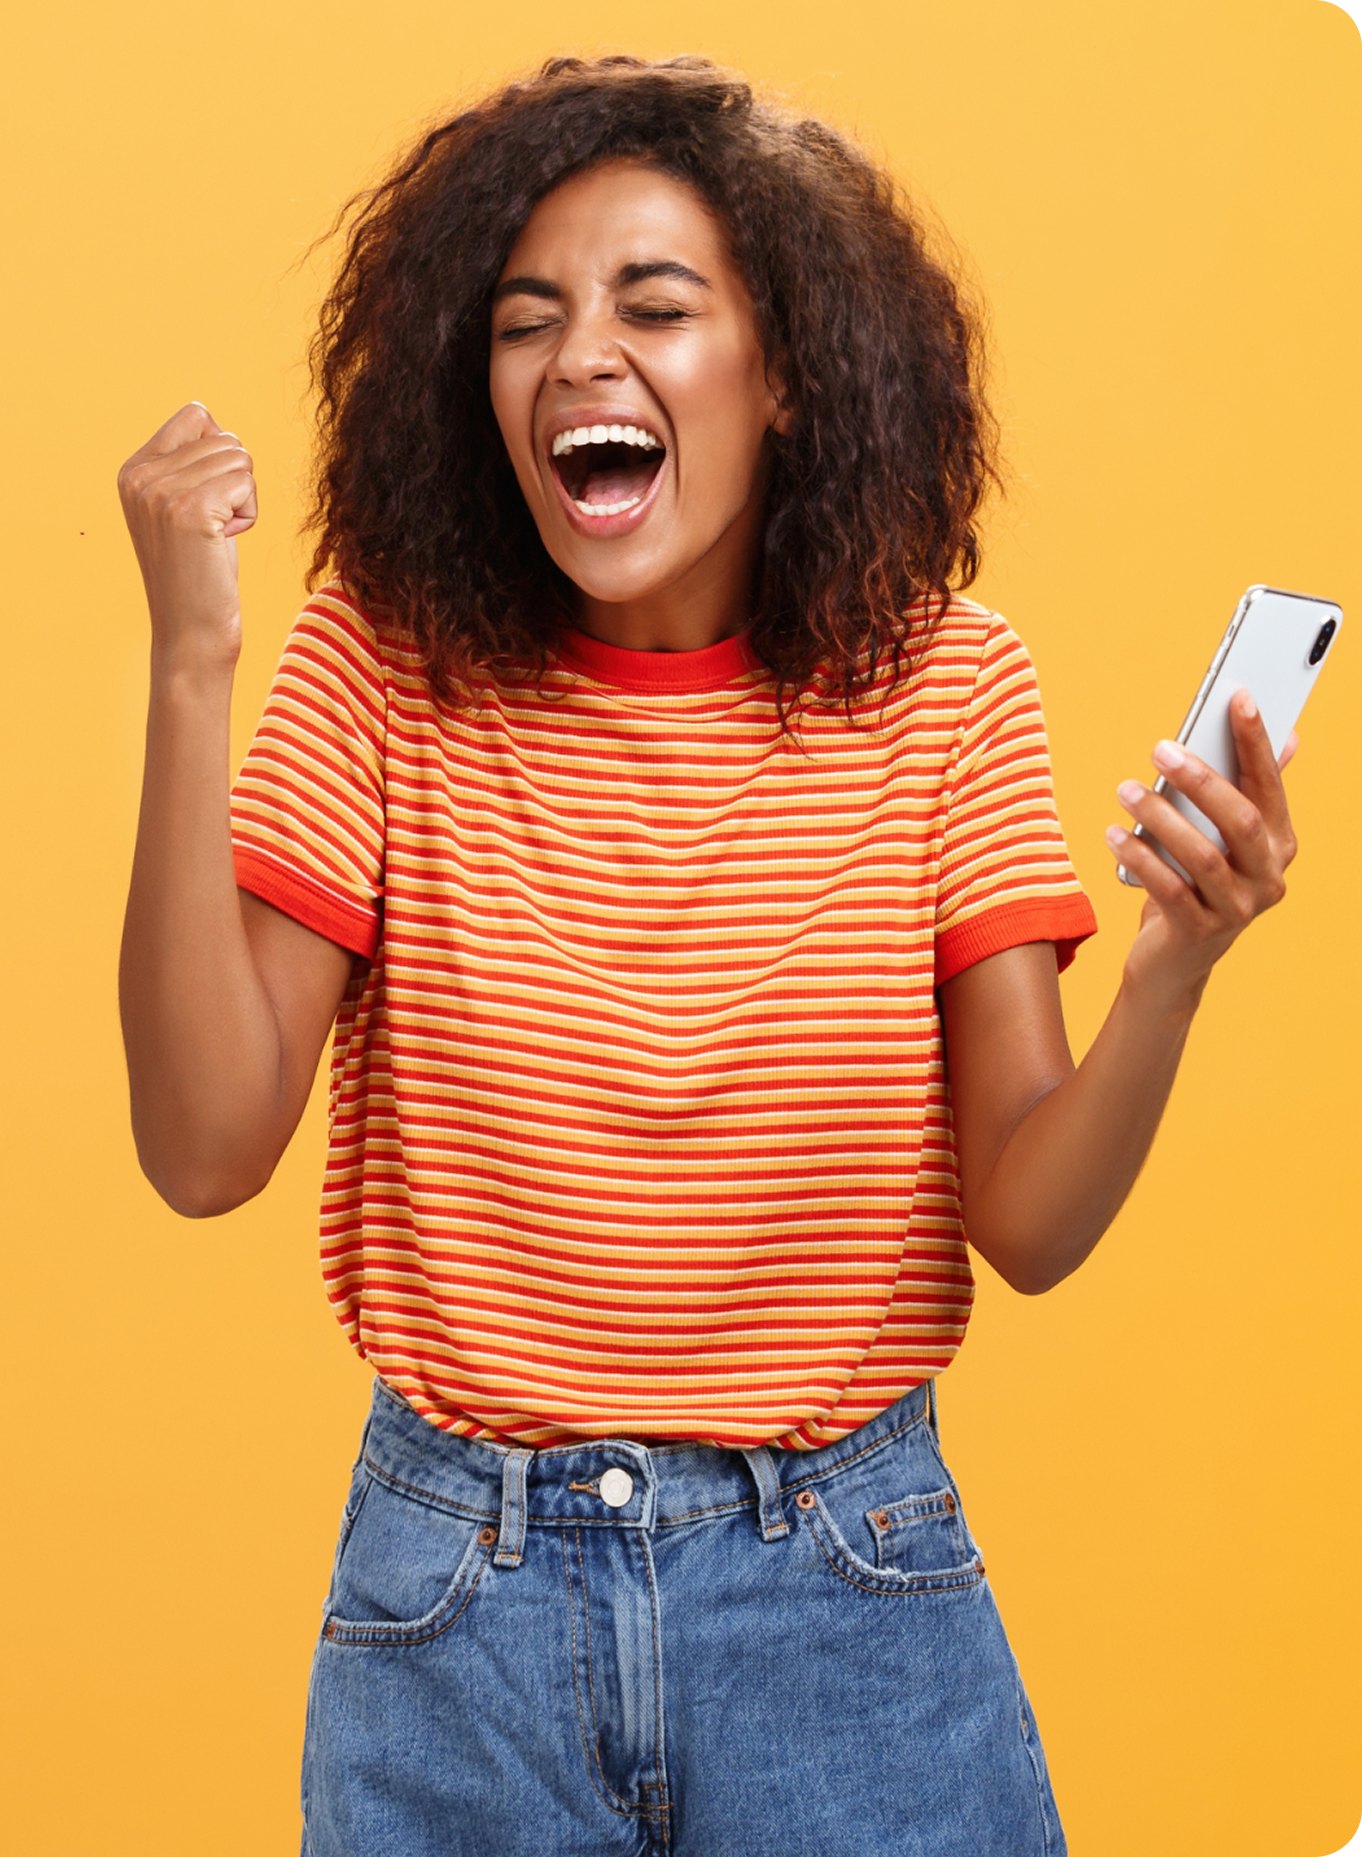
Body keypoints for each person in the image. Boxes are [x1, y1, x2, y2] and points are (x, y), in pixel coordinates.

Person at [116, 55, 1298, 1857]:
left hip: (843, 1586)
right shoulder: (384, 660)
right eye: (528, 322)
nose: (582, 355)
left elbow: (1029, 1223)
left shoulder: (943, 685)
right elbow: (204, 1151)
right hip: (456, 1615)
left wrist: (1171, 969)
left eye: (653, 307)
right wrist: (192, 662)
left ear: (791, 376)